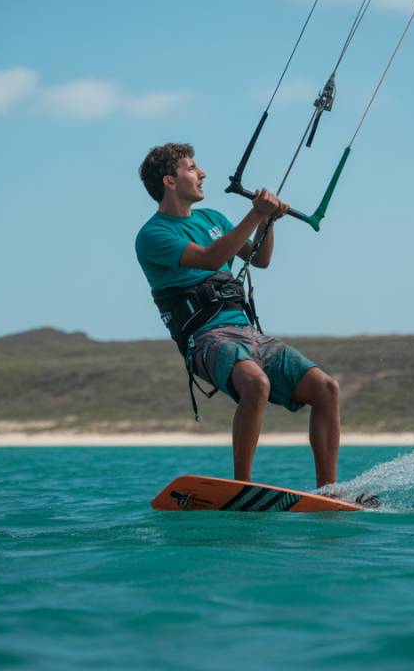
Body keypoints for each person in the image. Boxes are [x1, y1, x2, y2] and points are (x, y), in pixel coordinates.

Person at [135, 142, 340, 488]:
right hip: (205, 340)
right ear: (169, 181)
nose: (202, 174)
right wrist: (256, 214)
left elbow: (259, 259)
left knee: (326, 388)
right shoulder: (153, 234)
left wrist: (269, 221)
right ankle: (243, 486)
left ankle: (329, 491)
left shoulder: (213, 218)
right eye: (191, 168)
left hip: (248, 333)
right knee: (255, 383)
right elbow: (211, 259)